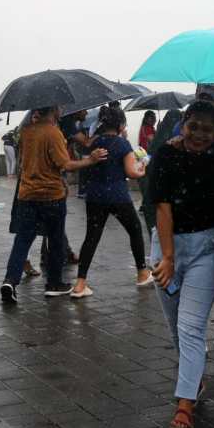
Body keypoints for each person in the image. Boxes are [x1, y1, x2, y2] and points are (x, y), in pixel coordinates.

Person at [150, 101, 214, 428]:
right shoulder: (165, 155)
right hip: (166, 245)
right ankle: (194, 379)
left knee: (190, 325)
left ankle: (184, 404)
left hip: (207, 248)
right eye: (194, 126)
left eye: (208, 129)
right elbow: (163, 206)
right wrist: (168, 258)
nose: (199, 134)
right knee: (175, 325)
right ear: (182, 124)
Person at [0, 106, 108, 303]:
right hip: (51, 195)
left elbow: (25, 162)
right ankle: (54, 284)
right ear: (54, 110)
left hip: (27, 195)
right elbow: (65, 164)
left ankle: (10, 281)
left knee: (22, 240)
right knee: (56, 239)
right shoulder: (53, 133)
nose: (62, 110)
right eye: (59, 107)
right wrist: (91, 160)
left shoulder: (26, 131)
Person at [72, 106, 149, 298]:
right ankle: (142, 273)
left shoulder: (94, 143)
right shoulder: (122, 144)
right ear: (120, 124)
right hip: (117, 197)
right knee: (135, 230)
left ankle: (80, 284)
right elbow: (131, 172)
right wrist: (143, 168)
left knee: (91, 237)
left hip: (95, 196)